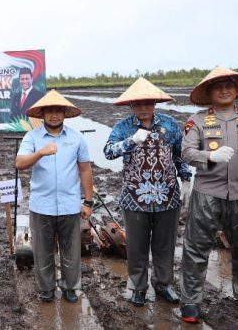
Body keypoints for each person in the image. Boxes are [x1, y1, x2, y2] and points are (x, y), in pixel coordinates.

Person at [179, 67, 238, 322]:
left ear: (236, 90)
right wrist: (209, 155)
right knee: (196, 248)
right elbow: (186, 153)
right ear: (209, 92)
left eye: (228, 85)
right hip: (207, 193)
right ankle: (190, 300)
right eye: (218, 86)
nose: (223, 90)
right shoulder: (197, 120)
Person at [103, 77, 191, 307]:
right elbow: (109, 152)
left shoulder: (170, 124)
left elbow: (180, 155)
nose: (143, 108)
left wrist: (186, 179)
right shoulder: (123, 127)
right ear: (131, 105)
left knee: (165, 245)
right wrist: (130, 141)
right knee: (137, 246)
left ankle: (163, 285)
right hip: (134, 198)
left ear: (155, 103)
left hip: (167, 196)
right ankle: (139, 287)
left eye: (148, 103)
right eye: (138, 104)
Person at [15, 90, 93, 303]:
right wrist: (40, 152)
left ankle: (70, 287)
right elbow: (19, 163)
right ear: (42, 114)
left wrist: (88, 201)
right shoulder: (32, 137)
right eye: (49, 111)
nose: (54, 115)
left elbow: (85, 170)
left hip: (70, 205)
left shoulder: (76, 138)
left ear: (65, 114)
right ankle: (46, 288)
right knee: (42, 251)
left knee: (71, 250)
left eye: (58, 110)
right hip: (42, 206)